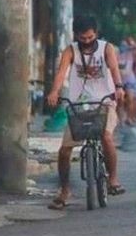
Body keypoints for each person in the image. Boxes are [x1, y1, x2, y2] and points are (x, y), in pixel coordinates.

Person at [46, 16, 126, 210]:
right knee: (65, 150)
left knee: (106, 137)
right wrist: (55, 92)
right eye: (83, 38)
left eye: (90, 37)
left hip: (104, 101)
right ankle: (64, 190)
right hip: (79, 105)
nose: (87, 42)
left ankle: (113, 179)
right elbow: (61, 72)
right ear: (76, 36)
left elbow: (114, 69)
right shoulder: (70, 51)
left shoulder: (107, 49)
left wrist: (119, 87)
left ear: (96, 34)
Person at [117, 37, 136, 125]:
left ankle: (129, 118)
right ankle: (121, 120)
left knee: (131, 99)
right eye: (122, 45)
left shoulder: (130, 54)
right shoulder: (116, 55)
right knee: (120, 101)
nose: (123, 47)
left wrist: (132, 45)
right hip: (119, 81)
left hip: (129, 80)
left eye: (125, 46)